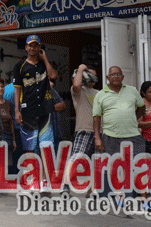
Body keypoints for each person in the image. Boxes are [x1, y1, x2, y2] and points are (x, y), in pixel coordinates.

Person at [13, 35, 58, 193]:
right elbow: (17, 89)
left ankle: (45, 181)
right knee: (30, 149)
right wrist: (17, 110)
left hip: (44, 111)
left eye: (36, 46)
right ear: (26, 47)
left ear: (40, 48)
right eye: (30, 46)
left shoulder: (44, 65)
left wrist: (45, 59)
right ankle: (32, 180)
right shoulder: (20, 66)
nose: (33, 48)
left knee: (46, 147)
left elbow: (53, 76)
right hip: (28, 112)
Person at [93, 66, 145, 198]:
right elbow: (96, 117)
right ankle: (115, 196)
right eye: (112, 74)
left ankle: (140, 197)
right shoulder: (100, 94)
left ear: (123, 77)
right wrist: (97, 138)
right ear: (107, 78)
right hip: (111, 136)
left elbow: (141, 107)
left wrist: (132, 117)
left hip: (133, 135)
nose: (115, 76)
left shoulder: (132, 91)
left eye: (118, 74)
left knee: (138, 165)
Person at [65, 64, 98, 195]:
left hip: (99, 132)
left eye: (93, 75)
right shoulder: (79, 91)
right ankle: (66, 185)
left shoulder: (100, 93)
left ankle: (92, 190)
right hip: (84, 129)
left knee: (96, 162)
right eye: (88, 74)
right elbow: (77, 85)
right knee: (77, 156)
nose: (91, 78)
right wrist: (80, 69)